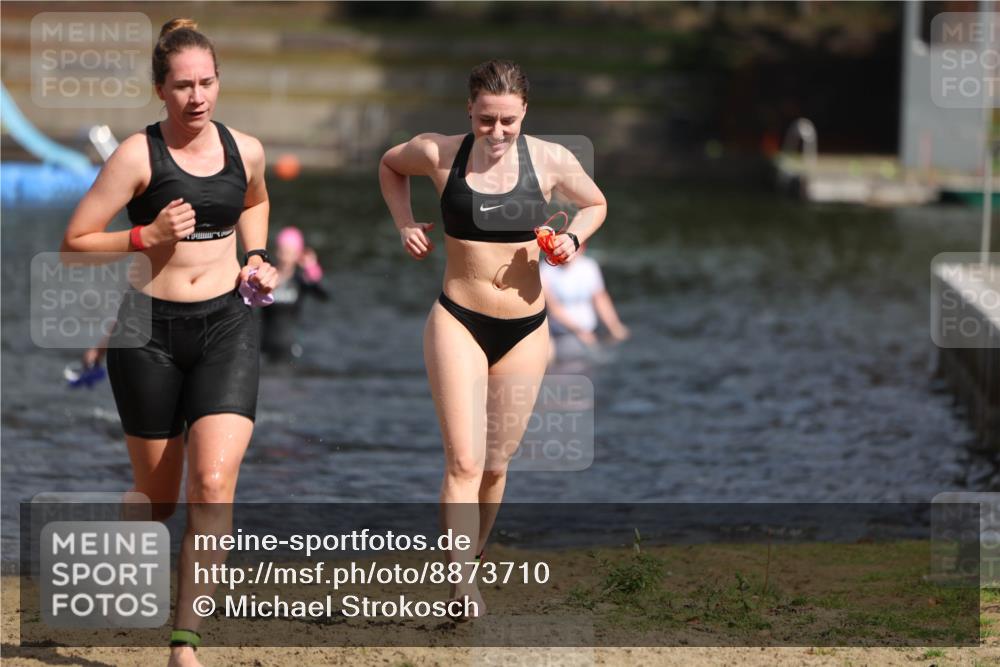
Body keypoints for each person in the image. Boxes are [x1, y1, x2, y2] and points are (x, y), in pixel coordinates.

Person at [60, 18, 276, 667]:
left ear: (219, 81)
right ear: (161, 89)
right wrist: (144, 236)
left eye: (206, 82)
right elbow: (74, 241)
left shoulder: (247, 150)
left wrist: (257, 257)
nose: (197, 96)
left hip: (228, 325)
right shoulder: (137, 155)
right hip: (146, 333)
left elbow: (255, 202)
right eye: (183, 85)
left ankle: (185, 645)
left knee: (212, 484)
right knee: (158, 503)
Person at [379, 59, 607, 618]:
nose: (497, 132)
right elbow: (389, 165)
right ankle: (462, 587)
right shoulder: (438, 153)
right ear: (469, 110)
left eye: (508, 120)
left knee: (496, 465)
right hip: (458, 319)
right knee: (463, 460)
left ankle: (472, 560)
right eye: (486, 120)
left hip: (525, 329)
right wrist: (404, 223)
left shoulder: (551, 159)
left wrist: (573, 240)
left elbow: (596, 203)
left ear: (525, 112)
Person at [540, 243, 629, 363]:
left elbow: (600, 299)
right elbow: (554, 308)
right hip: (561, 333)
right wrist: (580, 331)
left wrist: (614, 326)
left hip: (590, 330)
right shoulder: (545, 270)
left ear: (582, 248)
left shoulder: (589, 266)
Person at [260, 226, 328, 361]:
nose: (285, 256)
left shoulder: (300, 280)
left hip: (289, 347)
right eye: (283, 251)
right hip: (264, 345)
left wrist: (312, 269)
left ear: (298, 255)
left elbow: (324, 296)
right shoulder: (268, 276)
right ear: (277, 251)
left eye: (290, 252)